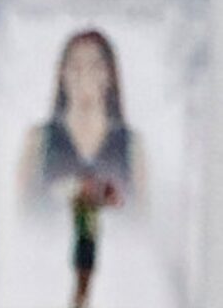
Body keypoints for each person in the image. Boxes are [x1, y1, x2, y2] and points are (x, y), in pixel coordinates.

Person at [21, 28, 141, 210]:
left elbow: (142, 219)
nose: (84, 74)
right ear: (62, 73)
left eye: (95, 66)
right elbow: (22, 212)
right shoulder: (37, 139)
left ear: (109, 75)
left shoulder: (132, 145)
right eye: (75, 66)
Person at [67, 172, 119, 308]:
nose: (89, 188)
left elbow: (114, 202)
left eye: (90, 185)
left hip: (91, 244)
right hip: (83, 243)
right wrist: (100, 192)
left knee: (87, 282)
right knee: (81, 282)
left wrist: (108, 191)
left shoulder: (92, 201)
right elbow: (82, 201)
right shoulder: (80, 201)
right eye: (86, 185)